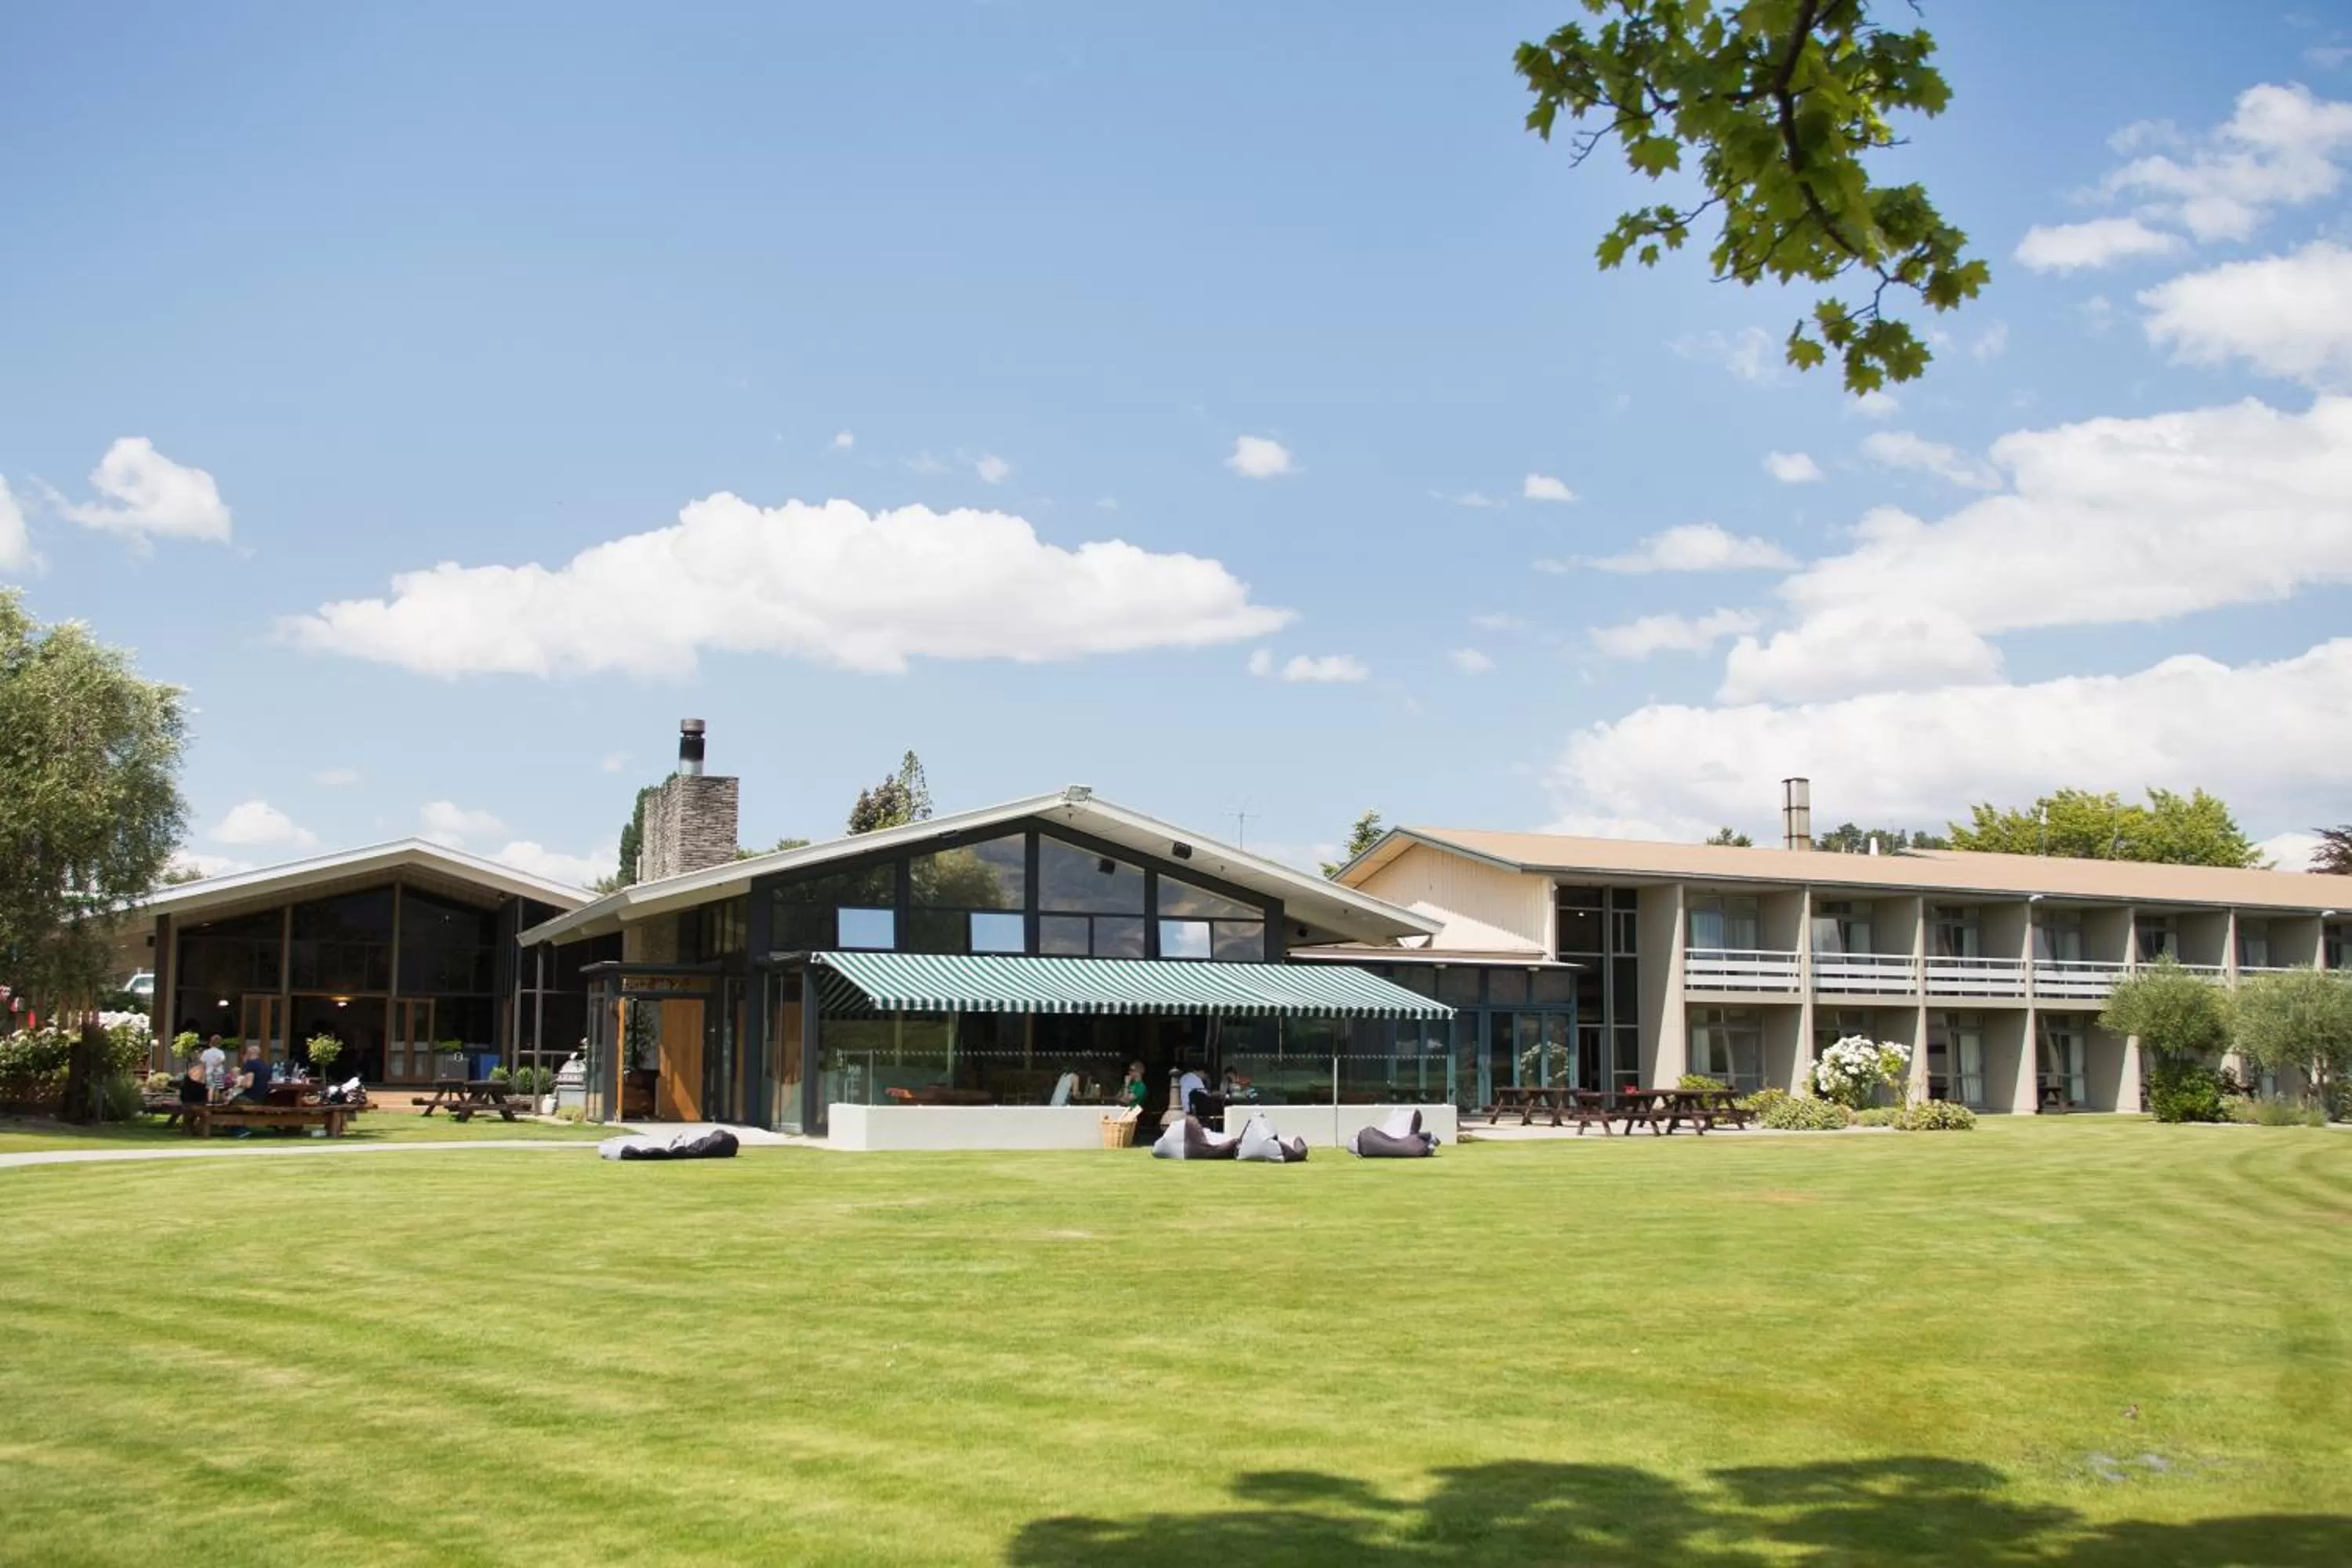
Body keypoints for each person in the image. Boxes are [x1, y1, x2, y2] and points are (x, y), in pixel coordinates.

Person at [199, 1034, 229, 1102]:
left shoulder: (206, 1052)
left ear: (210, 1043)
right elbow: (222, 1060)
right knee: (217, 1088)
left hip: (209, 1071)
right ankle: (216, 1103)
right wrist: (216, 1064)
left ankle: (210, 1103)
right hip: (218, 1071)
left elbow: (202, 1063)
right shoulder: (220, 1052)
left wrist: (203, 1073)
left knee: (211, 1088)